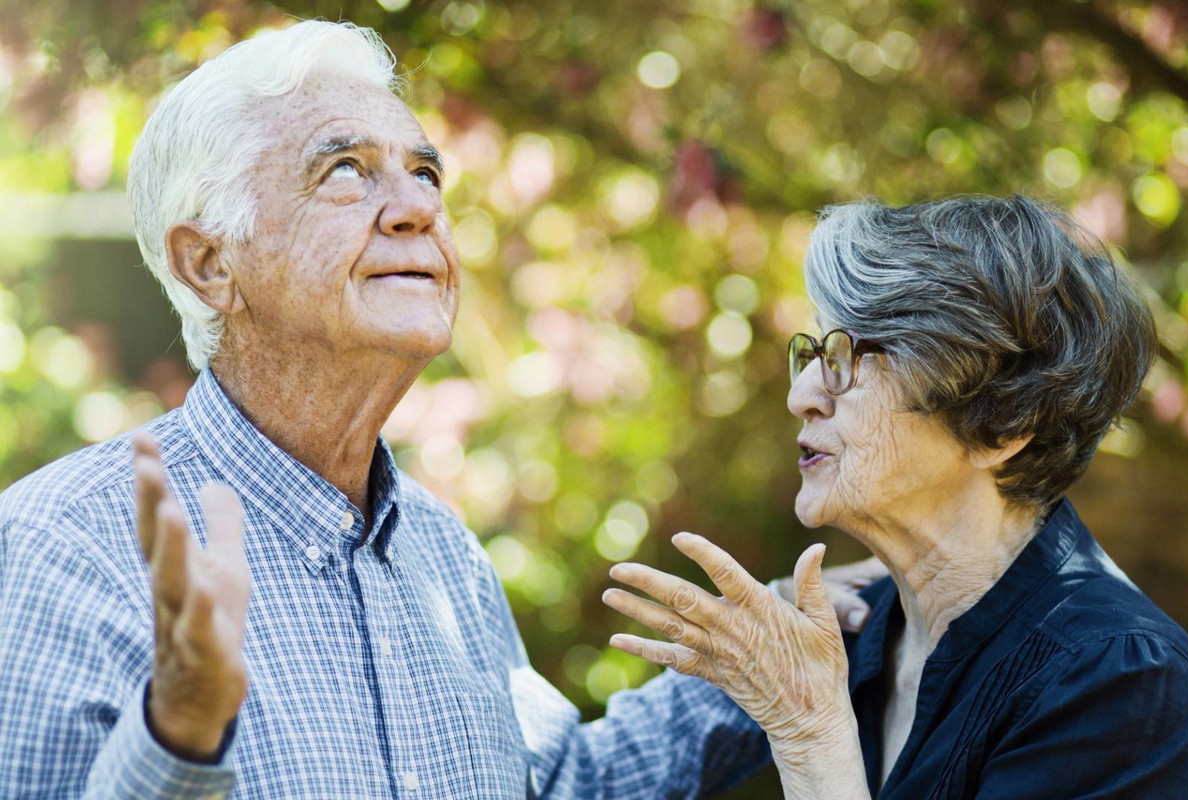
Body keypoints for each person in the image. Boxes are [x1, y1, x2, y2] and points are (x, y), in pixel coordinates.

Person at [0, 20, 794, 799]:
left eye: (426, 174)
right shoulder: (59, 548)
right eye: (345, 170)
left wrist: (785, 631)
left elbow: (561, 786)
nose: (415, 208)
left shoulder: (444, 557)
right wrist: (176, 737)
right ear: (209, 264)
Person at [604, 196, 1188, 798]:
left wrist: (808, 735)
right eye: (811, 354)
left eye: (847, 356)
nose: (803, 394)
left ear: (1001, 424)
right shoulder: (857, 631)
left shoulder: (1120, 681)